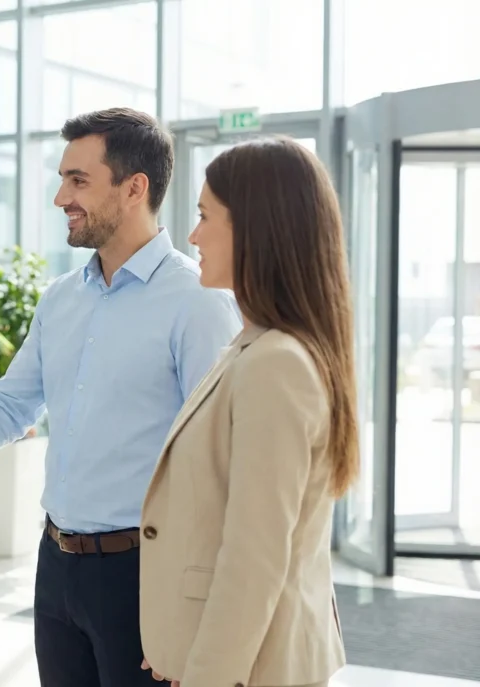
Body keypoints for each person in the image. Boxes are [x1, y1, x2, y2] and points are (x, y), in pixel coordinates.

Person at [0, 108, 243, 687]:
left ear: (134, 188)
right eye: (63, 179)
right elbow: (8, 409)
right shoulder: (61, 299)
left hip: (145, 576)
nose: (61, 198)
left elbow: (218, 465)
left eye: (78, 181)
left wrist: (198, 611)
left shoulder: (197, 302)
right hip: (56, 569)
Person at [137, 137, 356, 687]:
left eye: (205, 216)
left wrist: (209, 675)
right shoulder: (258, 347)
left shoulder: (275, 364)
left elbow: (254, 559)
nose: (192, 236)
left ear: (257, 229)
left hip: (258, 669)